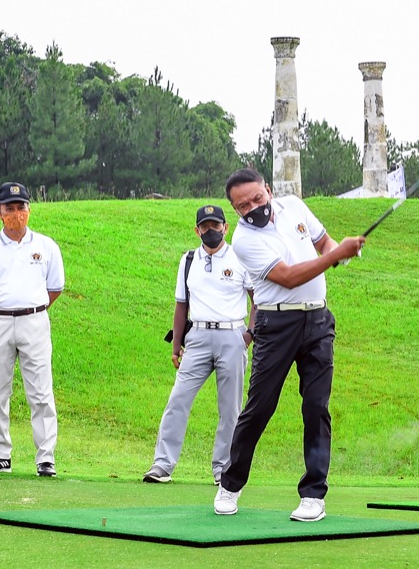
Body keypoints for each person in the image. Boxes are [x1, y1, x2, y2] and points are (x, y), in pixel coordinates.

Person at [213, 168, 366, 523]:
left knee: (316, 407)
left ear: (268, 189)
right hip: (275, 323)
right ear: (234, 210)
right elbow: (289, 277)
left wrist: (339, 252)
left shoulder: (294, 206)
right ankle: (230, 485)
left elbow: (323, 243)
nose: (253, 207)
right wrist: (333, 255)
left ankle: (314, 494)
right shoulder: (244, 240)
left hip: (317, 321)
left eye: (257, 198)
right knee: (260, 407)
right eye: (243, 205)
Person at [144, 205, 255, 485]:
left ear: (225, 227)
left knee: (230, 408)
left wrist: (249, 335)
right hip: (198, 337)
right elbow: (181, 305)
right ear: (197, 230)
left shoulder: (240, 258)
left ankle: (223, 468)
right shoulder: (189, 259)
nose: (211, 231)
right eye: (204, 226)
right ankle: (162, 464)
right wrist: (176, 345)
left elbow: (258, 300)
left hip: (232, 335)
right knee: (178, 399)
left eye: (215, 225)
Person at [0, 181, 64, 477]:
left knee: (41, 392)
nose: (16, 213)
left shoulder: (46, 246)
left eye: (21, 207)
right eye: (9, 208)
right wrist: (4, 307)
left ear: (29, 210)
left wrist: (29, 308)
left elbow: (54, 288)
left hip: (34, 320)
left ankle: (45, 458)